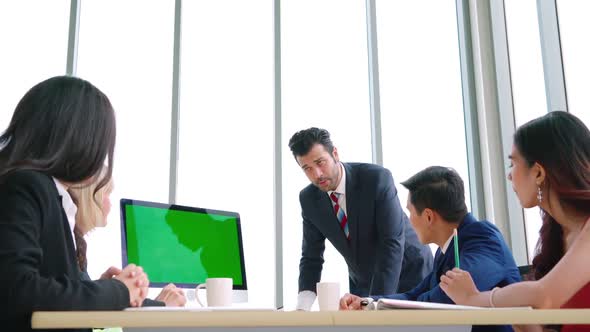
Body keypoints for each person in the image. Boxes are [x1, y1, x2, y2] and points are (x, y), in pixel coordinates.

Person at [0, 76, 149, 332]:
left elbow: (46, 287)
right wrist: (116, 291)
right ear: (79, 139)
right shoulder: (28, 185)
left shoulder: (48, 194)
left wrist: (98, 289)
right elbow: (18, 290)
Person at [439, 111, 590, 332]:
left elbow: (545, 296)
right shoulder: (559, 238)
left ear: (538, 173)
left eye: (513, 164)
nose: (509, 175)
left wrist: (475, 298)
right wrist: (517, 314)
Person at [340, 166, 521, 332]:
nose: (409, 220)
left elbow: (446, 298)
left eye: (410, 212)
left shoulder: (484, 238)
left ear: (428, 216)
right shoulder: (445, 250)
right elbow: (415, 294)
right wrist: (367, 303)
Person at [288, 127, 433, 310]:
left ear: (335, 153)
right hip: (364, 283)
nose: (317, 174)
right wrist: (302, 308)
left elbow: (392, 243)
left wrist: (373, 304)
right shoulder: (309, 199)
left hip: (411, 274)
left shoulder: (376, 179)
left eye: (320, 162)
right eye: (307, 168)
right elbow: (311, 257)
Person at [69, 176, 186, 307]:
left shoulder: (78, 243)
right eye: (107, 193)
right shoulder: (69, 243)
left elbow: (77, 303)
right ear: (88, 198)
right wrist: (161, 306)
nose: (111, 203)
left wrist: (99, 289)